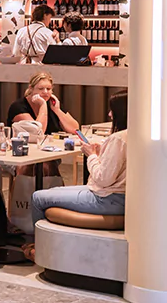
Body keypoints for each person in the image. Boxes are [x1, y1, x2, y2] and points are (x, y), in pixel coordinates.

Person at [32, 92, 127, 224]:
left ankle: (36, 244)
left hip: (108, 198)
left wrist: (91, 155)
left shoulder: (118, 139)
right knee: (52, 192)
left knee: (38, 197)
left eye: (112, 110)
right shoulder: (136, 136)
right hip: (119, 196)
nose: (109, 114)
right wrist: (101, 154)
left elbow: (104, 179)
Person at [7, 72, 80, 136]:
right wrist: (43, 105)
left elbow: (75, 129)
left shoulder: (53, 104)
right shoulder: (18, 107)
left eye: (48, 89)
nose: (45, 92)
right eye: (41, 89)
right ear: (31, 89)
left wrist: (57, 110)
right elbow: (37, 133)